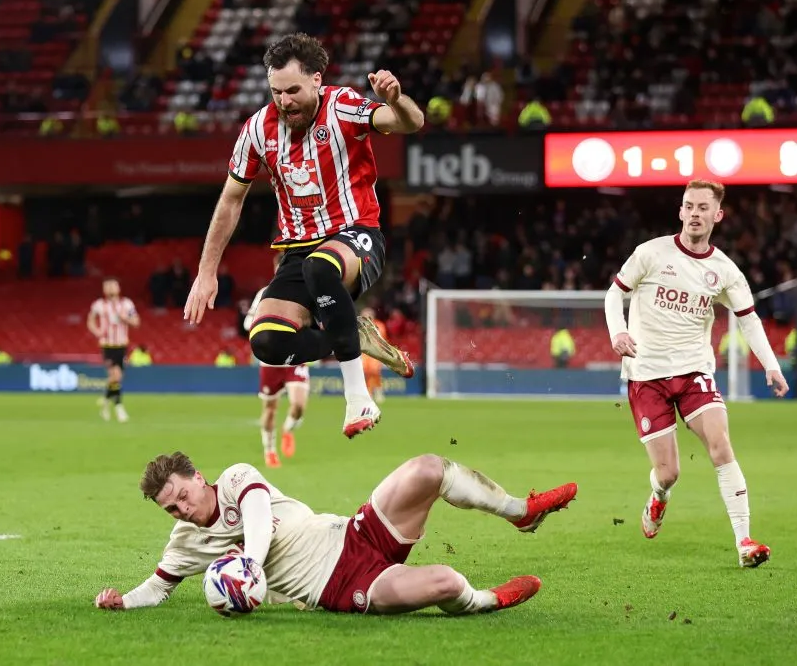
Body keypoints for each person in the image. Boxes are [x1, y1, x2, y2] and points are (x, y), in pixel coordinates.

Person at [183, 32, 423, 439]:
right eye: (276, 92)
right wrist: (207, 273)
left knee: (320, 267)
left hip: (356, 237)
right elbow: (230, 201)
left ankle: (357, 398)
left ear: (317, 78)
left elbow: (410, 122)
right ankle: (353, 335)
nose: (284, 101)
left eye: (293, 90)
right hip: (298, 251)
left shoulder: (343, 106)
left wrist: (395, 98)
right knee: (267, 341)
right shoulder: (258, 130)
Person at [94, 451, 577, 615]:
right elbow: (157, 588)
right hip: (346, 587)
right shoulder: (185, 540)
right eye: (169, 508)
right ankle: (486, 601)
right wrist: (123, 601)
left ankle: (520, 512)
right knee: (448, 584)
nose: (181, 509)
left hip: (354, 533)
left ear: (199, 477)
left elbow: (258, 514)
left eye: (182, 494)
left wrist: (249, 565)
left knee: (428, 468)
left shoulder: (238, 479)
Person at [604, 179, 789, 568]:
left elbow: (749, 321)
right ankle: (658, 496)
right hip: (647, 373)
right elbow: (613, 293)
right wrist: (618, 331)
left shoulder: (724, 270)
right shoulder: (651, 253)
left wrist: (771, 367)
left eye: (703, 208)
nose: (694, 214)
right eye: (689, 206)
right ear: (680, 211)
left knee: (721, 445)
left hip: (694, 372)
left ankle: (744, 542)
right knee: (669, 473)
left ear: (717, 216)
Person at [245, 255, 310, 468]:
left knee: (299, 406)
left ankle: (288, 430)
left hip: (295, 358)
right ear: (276, 268)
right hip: (271, 360)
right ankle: (270, 451)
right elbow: (248, 322)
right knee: (270, 409)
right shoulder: (265, 294)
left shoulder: (305, 291)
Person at [87, 277, 140, 422]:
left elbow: (136, 321)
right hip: (107, 345)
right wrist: (96, 331)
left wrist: (125, 319)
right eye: (108, 286)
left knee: (117, 378)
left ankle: (105, 401)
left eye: (113, 286)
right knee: (115, 375)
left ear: (118, 288)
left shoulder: (127, 304)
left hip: (122, 345)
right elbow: (90, 319)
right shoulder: (99, 305)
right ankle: (119, 408)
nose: (110, 288)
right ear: (104, 289)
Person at [359, 307, 387, 402]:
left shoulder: (379, 325)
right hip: (364, 353)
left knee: (374, 372)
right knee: (365, 372)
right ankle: (369, 393)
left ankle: (378, 390)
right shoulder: (359, 326)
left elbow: (382, 340)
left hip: (375, 353)